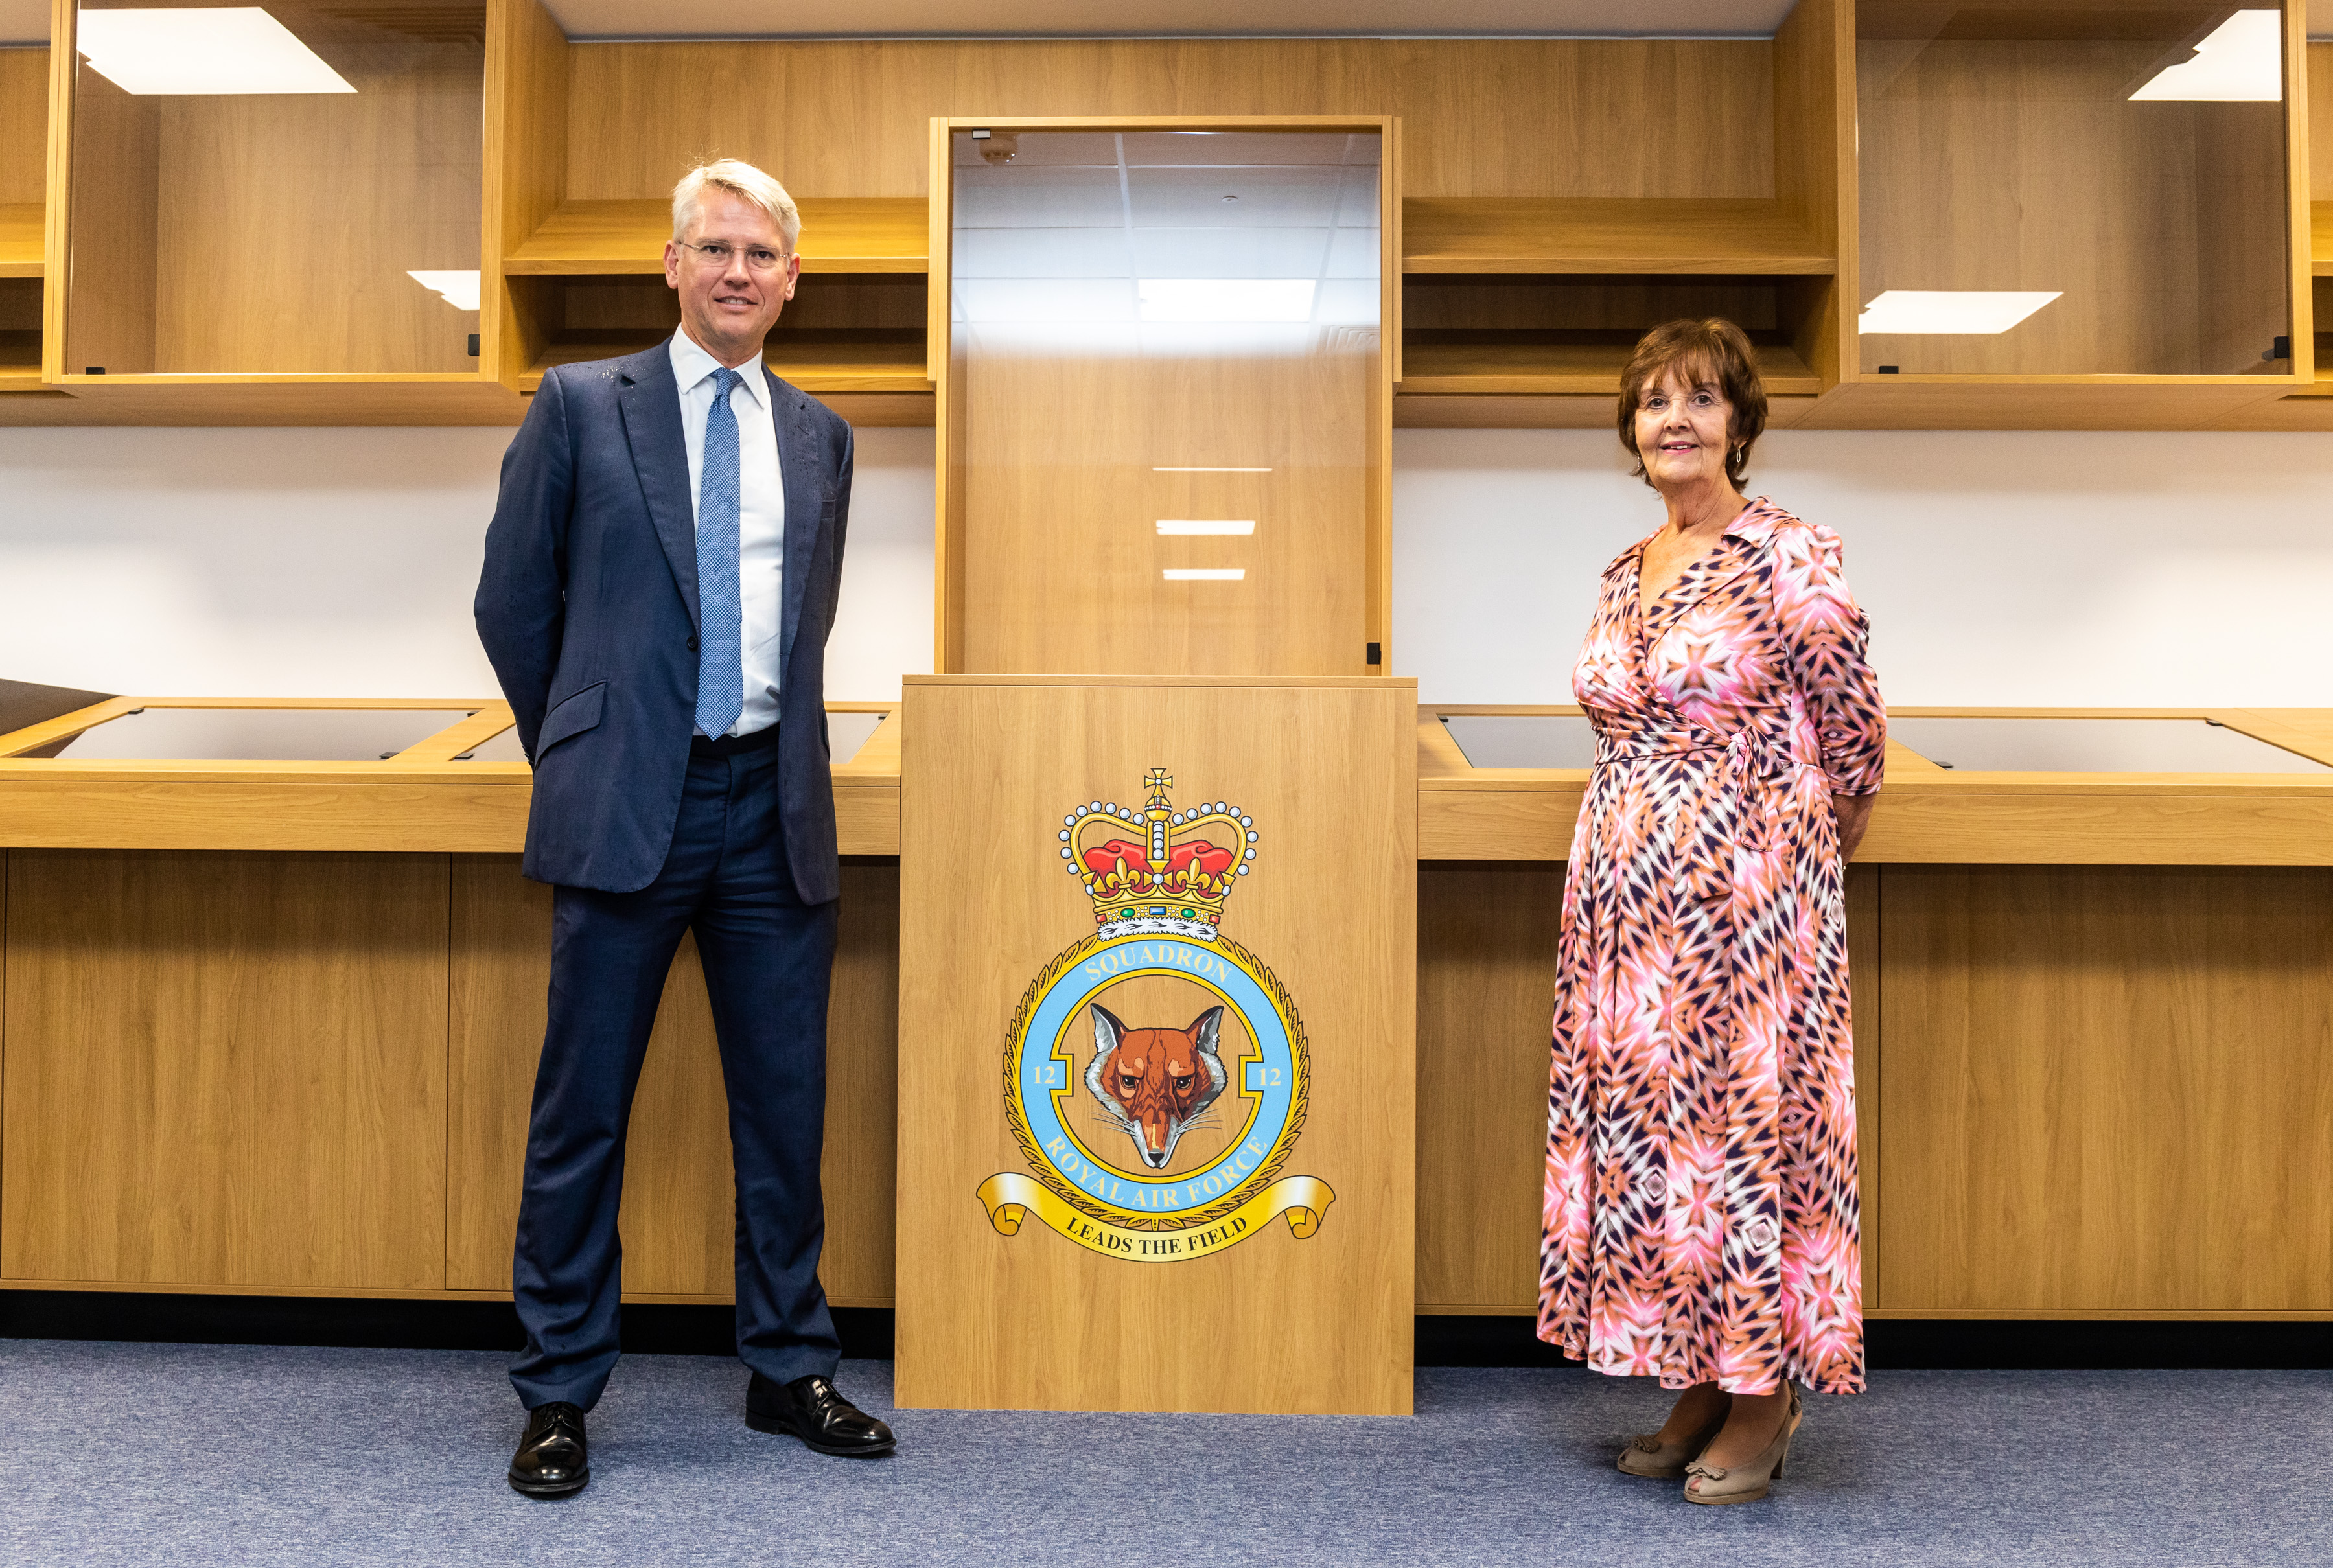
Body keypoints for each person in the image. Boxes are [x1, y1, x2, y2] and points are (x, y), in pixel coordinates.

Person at [475, 157, 893, 1498]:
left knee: (785, 1108)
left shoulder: (821, 435)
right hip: (626, 810)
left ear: (790, 281)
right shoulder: (581, 406)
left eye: (762, 254)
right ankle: (556, 1392)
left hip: (772, 807)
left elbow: (803, 628)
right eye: (715, 247)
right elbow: (511, 604)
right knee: (582, 1111)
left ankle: (788, 1365)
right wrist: (592, 743)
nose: (737, 272)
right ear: (671, 264)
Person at [1538, 317, 1885, 1505]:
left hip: (1747, 908)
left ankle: (1765, 1394)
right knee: (1654, 1145)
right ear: (1631, 434)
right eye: (1651, 404)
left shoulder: (1791, 550)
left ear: (1740, 419)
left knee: (1741, 1141)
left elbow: (1853, 725)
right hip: (1626, 919)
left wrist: (1799, 847)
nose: (1673, 420)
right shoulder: (1623, 568)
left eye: (1698, 399)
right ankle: (1698, 1376)